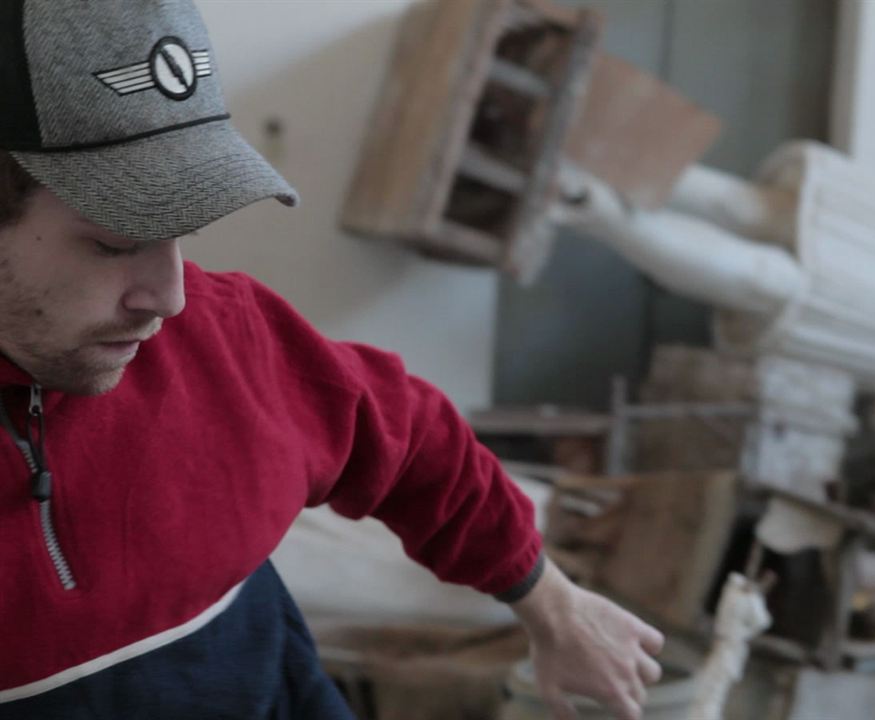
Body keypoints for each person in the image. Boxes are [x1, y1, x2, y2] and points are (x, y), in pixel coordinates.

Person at [0, 2, 662, 718]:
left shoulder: (227, 340)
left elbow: (413, 438)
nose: (170, 298)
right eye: (115, 242)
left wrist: (553, 607)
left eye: (182, 231)